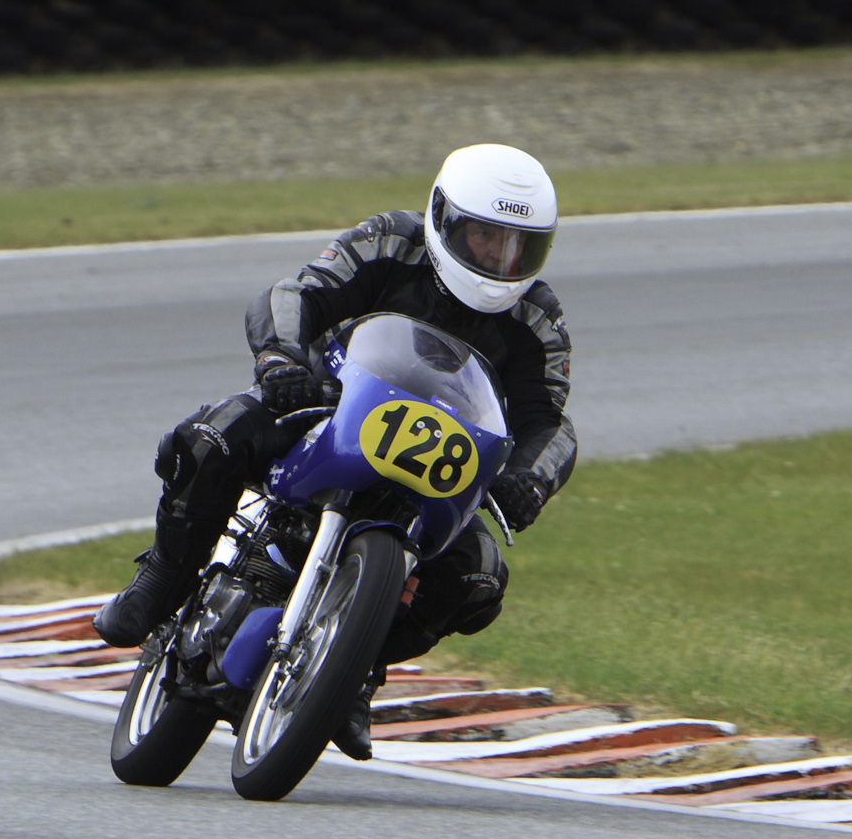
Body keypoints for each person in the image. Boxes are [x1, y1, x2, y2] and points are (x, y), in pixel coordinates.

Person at [94, 142, 578, 760]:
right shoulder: (388, 241)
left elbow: (551, 421)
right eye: (486, 237)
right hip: (325, 411)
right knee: (215, 436)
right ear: (444, 218)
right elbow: (295, 294)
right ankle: (162, 580)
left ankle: (353, 672)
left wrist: (528, 479)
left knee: (478, 577)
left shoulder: (538, 315)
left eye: (519, 246)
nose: (500, 258)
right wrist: (280, 357)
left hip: (433, 472)